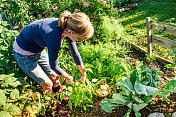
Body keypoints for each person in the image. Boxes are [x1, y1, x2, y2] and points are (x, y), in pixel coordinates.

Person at [13, 10, 94, 94]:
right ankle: (47, 102)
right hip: (23, 54)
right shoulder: (54, 37)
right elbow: (54, 66)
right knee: (48, 84)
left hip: (37, 49)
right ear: (70, 32)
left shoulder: (66, 26)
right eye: (81, 38)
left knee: (55, 77)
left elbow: (75, 53)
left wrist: (83, 73)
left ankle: (55, 97)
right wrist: (68, 78)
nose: (81, 41)